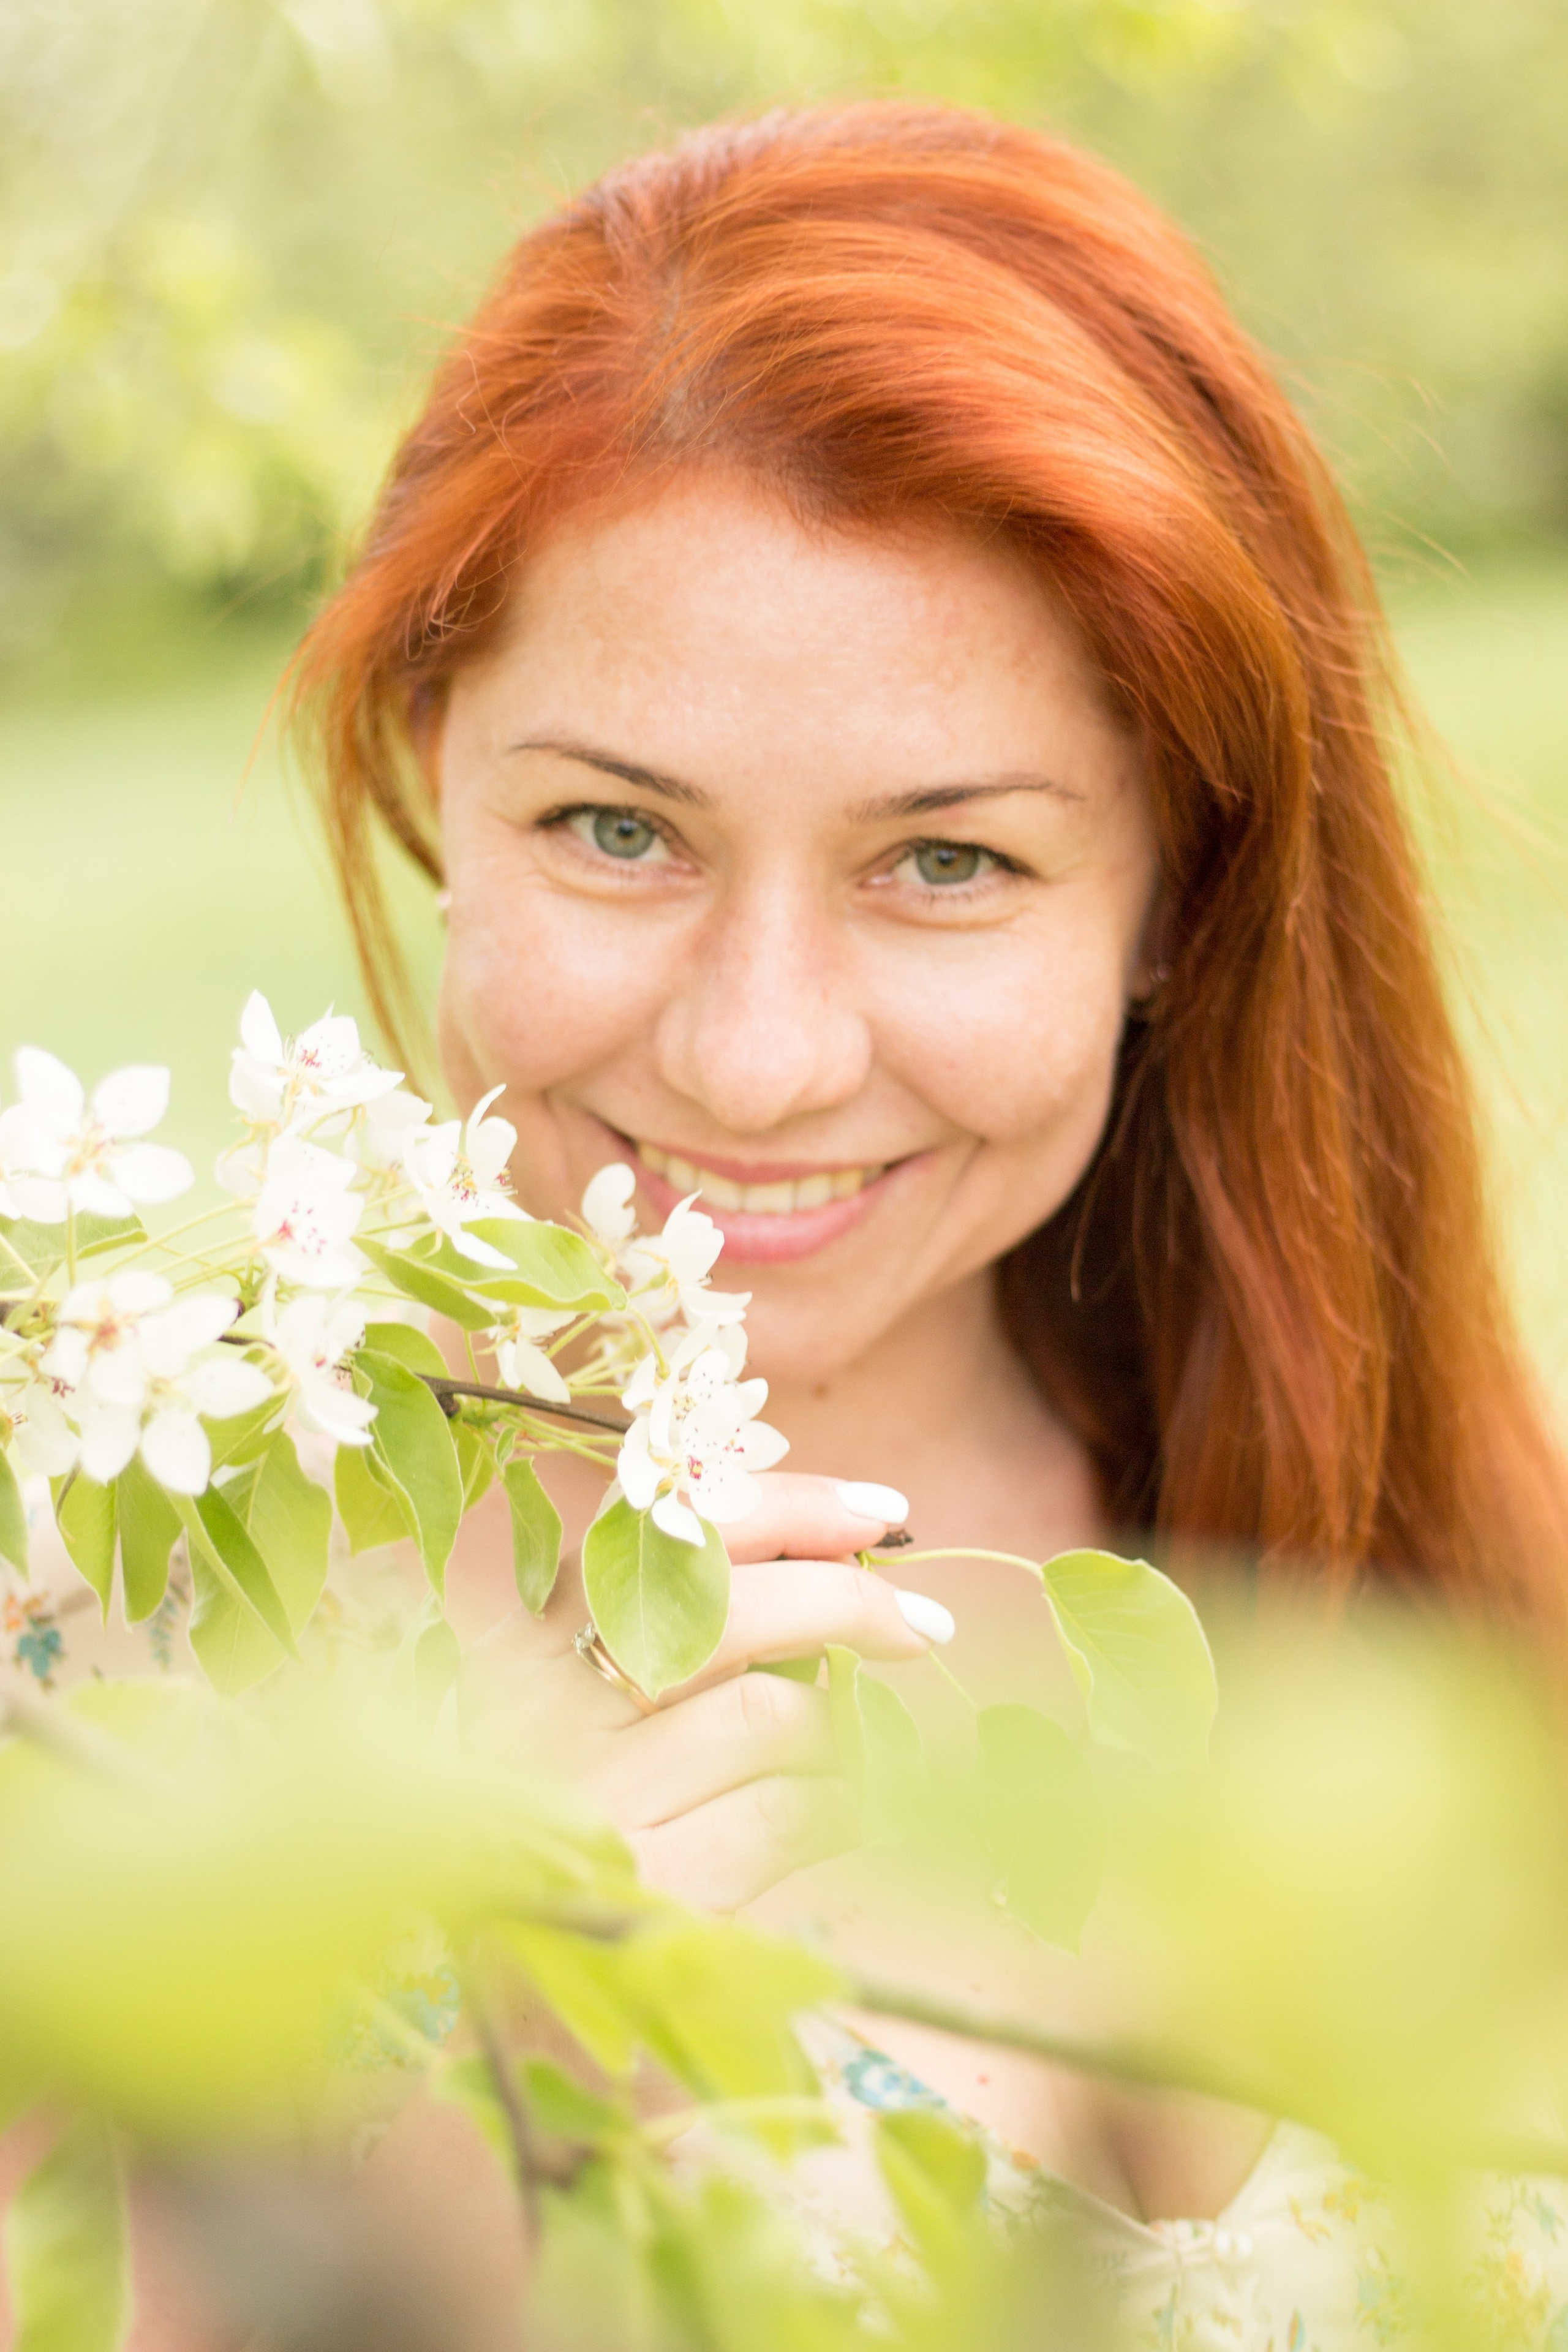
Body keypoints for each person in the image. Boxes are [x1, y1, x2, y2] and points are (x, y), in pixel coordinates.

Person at [290, 102, 1568, 2339]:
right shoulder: (105, 1669)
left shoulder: (1436, 1575)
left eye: (949, 861)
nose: (761, 1057)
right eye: (616, 829)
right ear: (429, 776)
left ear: (1182, 892)